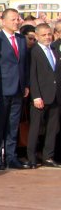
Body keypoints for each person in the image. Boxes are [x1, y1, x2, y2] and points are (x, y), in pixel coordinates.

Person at [0, 8, 30, 169]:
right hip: (2, 89)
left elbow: (24, 64)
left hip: (18, 89)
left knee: (13, 126)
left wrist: (25, 84)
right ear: (3, 21)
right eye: (13, 19)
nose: (17, 21)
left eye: (18, 19)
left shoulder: (20, 39)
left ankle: (11, 157)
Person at [27, 23, 60, 167]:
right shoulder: (34, 52)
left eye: (49, 34)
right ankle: (32, 158)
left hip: (56, 95)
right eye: (44, 35)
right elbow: (32, 75)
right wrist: (36, 96)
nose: (47, 37)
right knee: (35, 128)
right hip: (40, 96)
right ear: (37, 36)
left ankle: (48, 156)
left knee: (53, 127)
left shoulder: (54, 49)